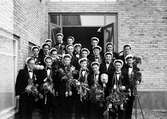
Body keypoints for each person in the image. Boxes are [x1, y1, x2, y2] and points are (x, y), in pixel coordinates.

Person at [122, 54, 142, 119]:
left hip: (133, 89)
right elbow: (122, 79)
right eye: (128, 60)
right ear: (126, 61)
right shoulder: (124, 69)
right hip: (125, 89)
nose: (129, 61)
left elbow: (139, 77)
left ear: (132, 60)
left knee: (131, 105)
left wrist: (138, 81)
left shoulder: (136, 68)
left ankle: (129, 117)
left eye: (130, 60)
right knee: (125, 105)